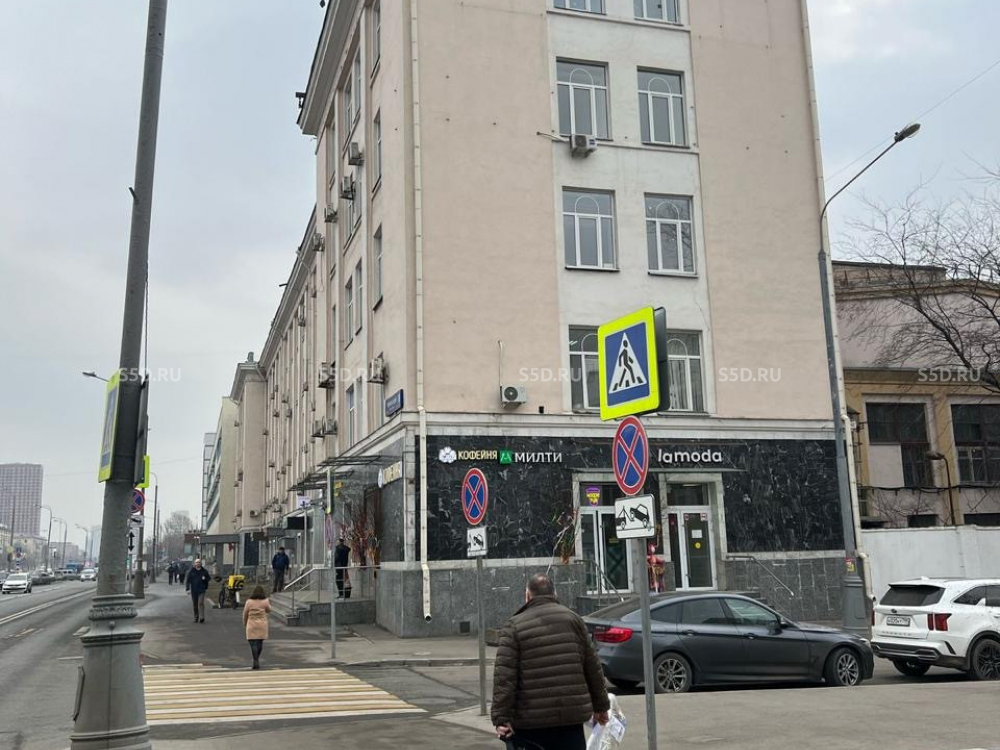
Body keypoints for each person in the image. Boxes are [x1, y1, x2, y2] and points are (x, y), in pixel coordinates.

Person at [492, 574, 609, 750]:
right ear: (555, 594)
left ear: (527, 595)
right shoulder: (574, 620)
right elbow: (592, 667)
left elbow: (505, 677)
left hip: (530, 724)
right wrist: (601, 706)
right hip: (570, 719)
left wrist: (502, 718)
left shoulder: (513, 626)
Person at [243, 585, 272, 670]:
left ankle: (255, 660)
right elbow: (269, 610)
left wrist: (245, 623)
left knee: (253, 643)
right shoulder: (265, 601)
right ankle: (256, 659)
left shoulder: (249, 602)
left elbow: (245, 613)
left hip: (251, 624)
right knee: (259, 642)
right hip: (262, 624)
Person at [185, 558, 211, 623]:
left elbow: (209, 578)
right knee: (195, 604)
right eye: (197, 562)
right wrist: (187, 589)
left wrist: (205, 579)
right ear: (195, 564)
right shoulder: (192, 571)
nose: (198, 563)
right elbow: (188, 580)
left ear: (201, 563)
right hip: (194, 590)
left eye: (199, 562)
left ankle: (202, 617)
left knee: (201, 603)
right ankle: (196, 617)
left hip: (202, 590)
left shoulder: (204, 571)